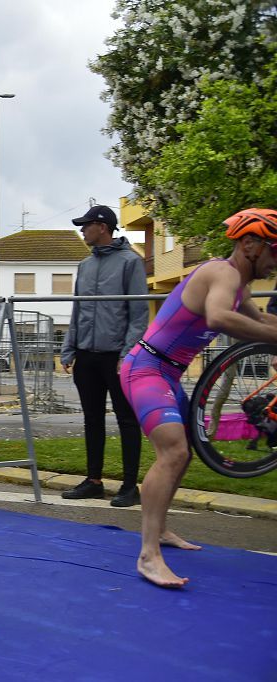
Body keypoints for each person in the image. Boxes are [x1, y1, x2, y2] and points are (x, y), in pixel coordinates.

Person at [121, 208, 277, 588]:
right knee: (172, 451)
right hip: (145, 368)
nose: (276, 263)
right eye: (276, 252)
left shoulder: (237, 285)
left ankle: (159, 531)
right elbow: (218, 318)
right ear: (250, 243)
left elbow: (261, 323)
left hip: (167, 372)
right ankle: (147, 556)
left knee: (184, 451)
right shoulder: (221, 273)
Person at [60, 205, 148, 507]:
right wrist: (69, 349)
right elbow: (78, 310)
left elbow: (138, 314)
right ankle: (94, 481)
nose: (82, 230)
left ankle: (129, 486)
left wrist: (128, 353)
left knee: (126, 419)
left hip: (117, 357)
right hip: (86, 355)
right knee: (92, 419)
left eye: (86, 225)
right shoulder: (84, 266)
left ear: (102, 226)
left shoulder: (130, 262)